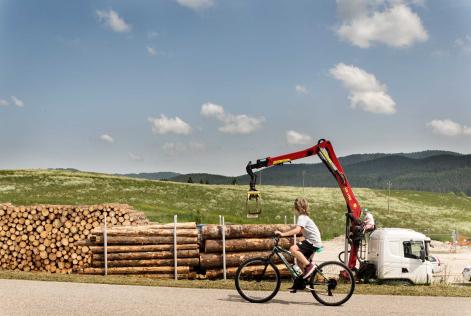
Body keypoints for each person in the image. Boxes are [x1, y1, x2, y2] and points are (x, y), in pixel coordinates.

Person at [274, 197, 322, 280]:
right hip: (314, 241)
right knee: (299, 261)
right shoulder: (304, 217)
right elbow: (300, 229)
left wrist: (283, 234)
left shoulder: (302, 217)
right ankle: (304, 280)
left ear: (297, 208)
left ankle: (309, 266)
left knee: (293, 249)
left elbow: (297, 230)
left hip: (313, 241)